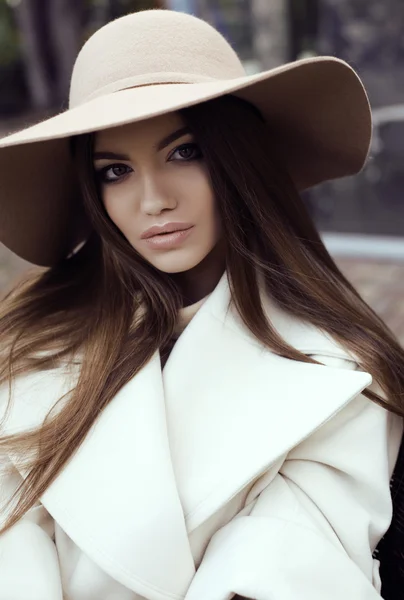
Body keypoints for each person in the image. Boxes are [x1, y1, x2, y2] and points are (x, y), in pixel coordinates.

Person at [0, 9, 402, 600]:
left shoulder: (337, 375)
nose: (154, 199)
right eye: (115, 171)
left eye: (185, 153)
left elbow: (290, 561)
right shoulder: (32, 342)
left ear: (238, 160)